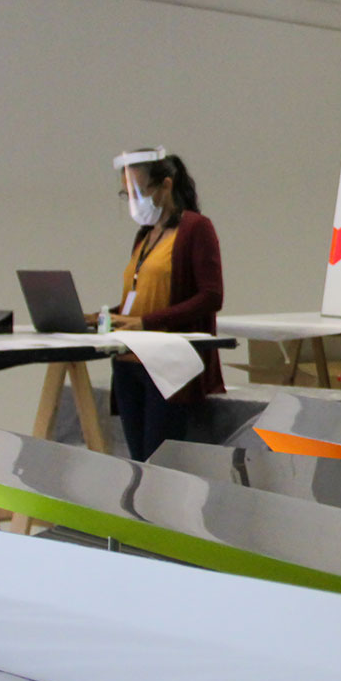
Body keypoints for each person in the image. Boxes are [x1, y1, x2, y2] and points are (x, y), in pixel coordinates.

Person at [93, 149, 224, 460]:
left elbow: (211, 296)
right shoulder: (145, 235)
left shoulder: (196, 228)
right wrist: (108, 316)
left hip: (166, 365)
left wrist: (145, 322)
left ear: (166, 185)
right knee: (139, 461)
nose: (133, 201)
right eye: (127, 194)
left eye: (140, 192)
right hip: (128, 362)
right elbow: (141, 297)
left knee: (159, 462)